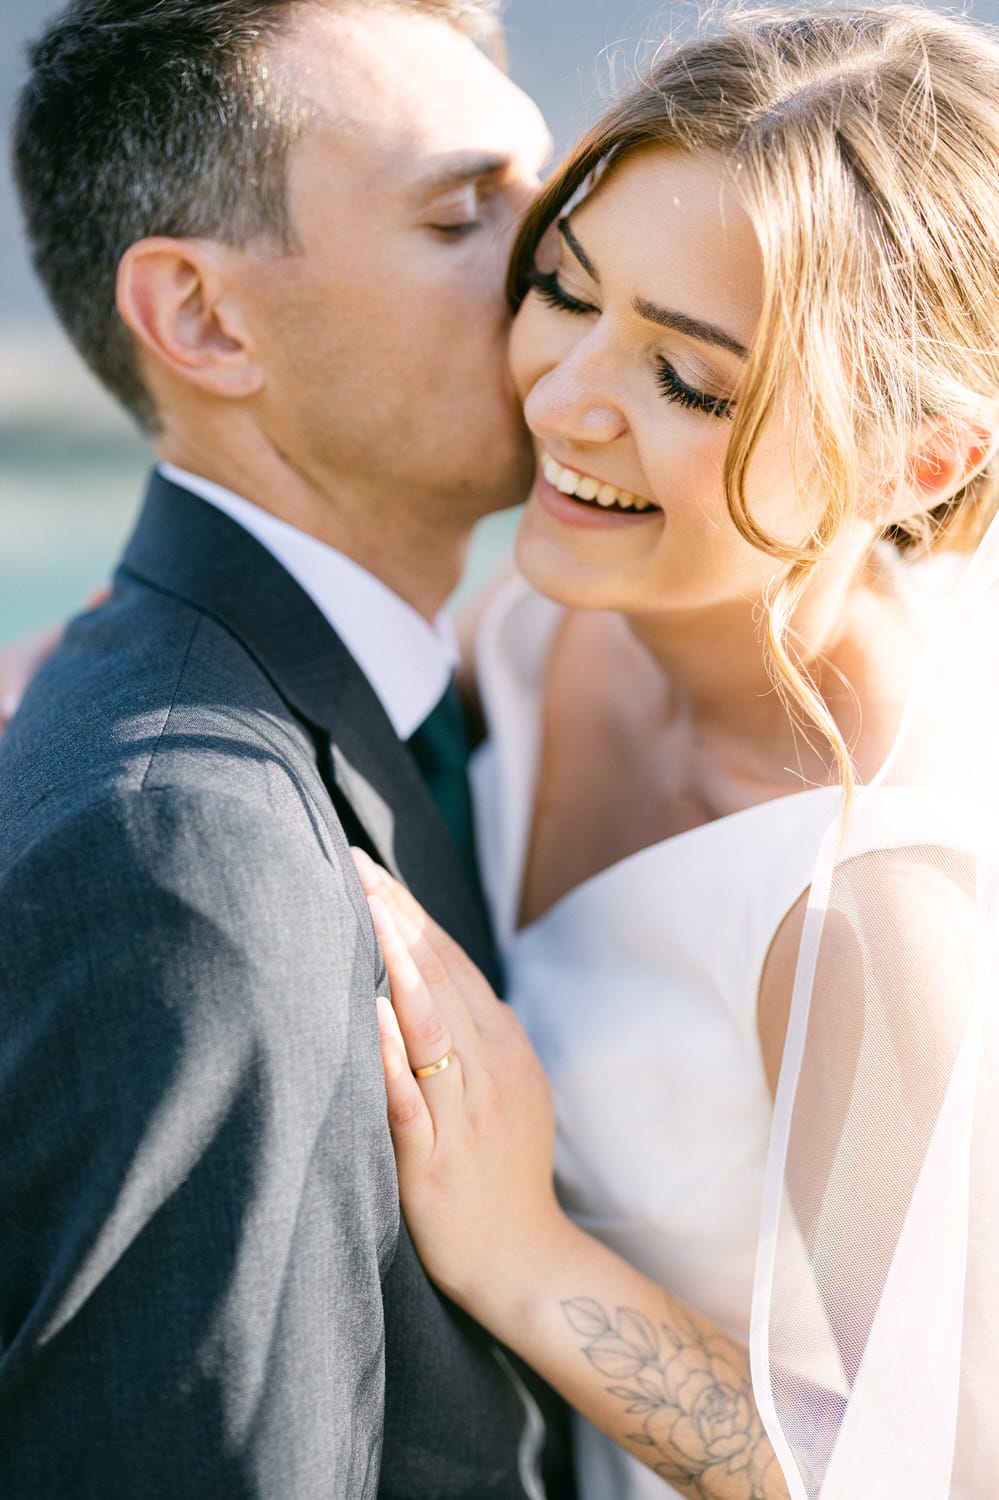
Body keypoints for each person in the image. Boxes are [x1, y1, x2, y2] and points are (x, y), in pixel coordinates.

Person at [348, 7, 999, 1498]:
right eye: (567, 292)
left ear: (920, 460)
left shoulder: (873, 912)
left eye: (692, 383)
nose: (567, 401)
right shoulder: (571, 596)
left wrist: (526, 1258)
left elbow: (913, 1476)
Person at [0, 1, 577, 1496]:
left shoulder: (442, 685)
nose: (566, 256)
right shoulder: (182, 864)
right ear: (200, 320)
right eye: (466, 215)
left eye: (545, 186)